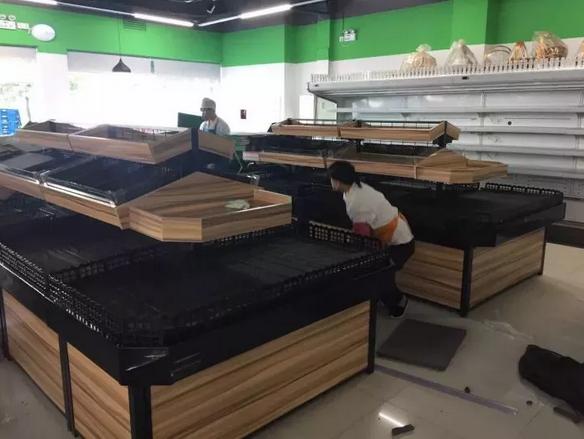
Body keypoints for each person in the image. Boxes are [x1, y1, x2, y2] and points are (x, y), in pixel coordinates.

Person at [328, 161, 414, 318]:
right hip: (396, 236)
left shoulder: (357, 201)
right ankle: (378, 297)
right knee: (378, 273)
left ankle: (399, 302)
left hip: (401, 243)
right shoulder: (356, 189)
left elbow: (362, 235)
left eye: (331, 179)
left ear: (338, 181)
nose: (330, 182)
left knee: (380, 276)